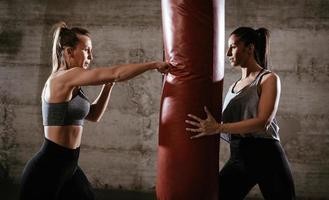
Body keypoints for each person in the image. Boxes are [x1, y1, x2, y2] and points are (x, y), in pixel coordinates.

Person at [19, 21, 170, 200]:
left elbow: (94, 115)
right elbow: (116, 73)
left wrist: (107, 87)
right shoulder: (62, 79)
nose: (91, 56)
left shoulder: (73, 83)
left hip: (70, 166)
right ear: (68, 52)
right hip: (48, 169)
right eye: (86, 50)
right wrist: (153, 65)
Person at [185, 27, 295, 200]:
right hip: (240, 155)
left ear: (249, 49)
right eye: (228, 47)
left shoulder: (269, 79)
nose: (228, 52)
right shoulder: (233, 87)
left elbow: (262, 122)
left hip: (267, 155)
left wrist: (217, 128)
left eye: (233, 47)